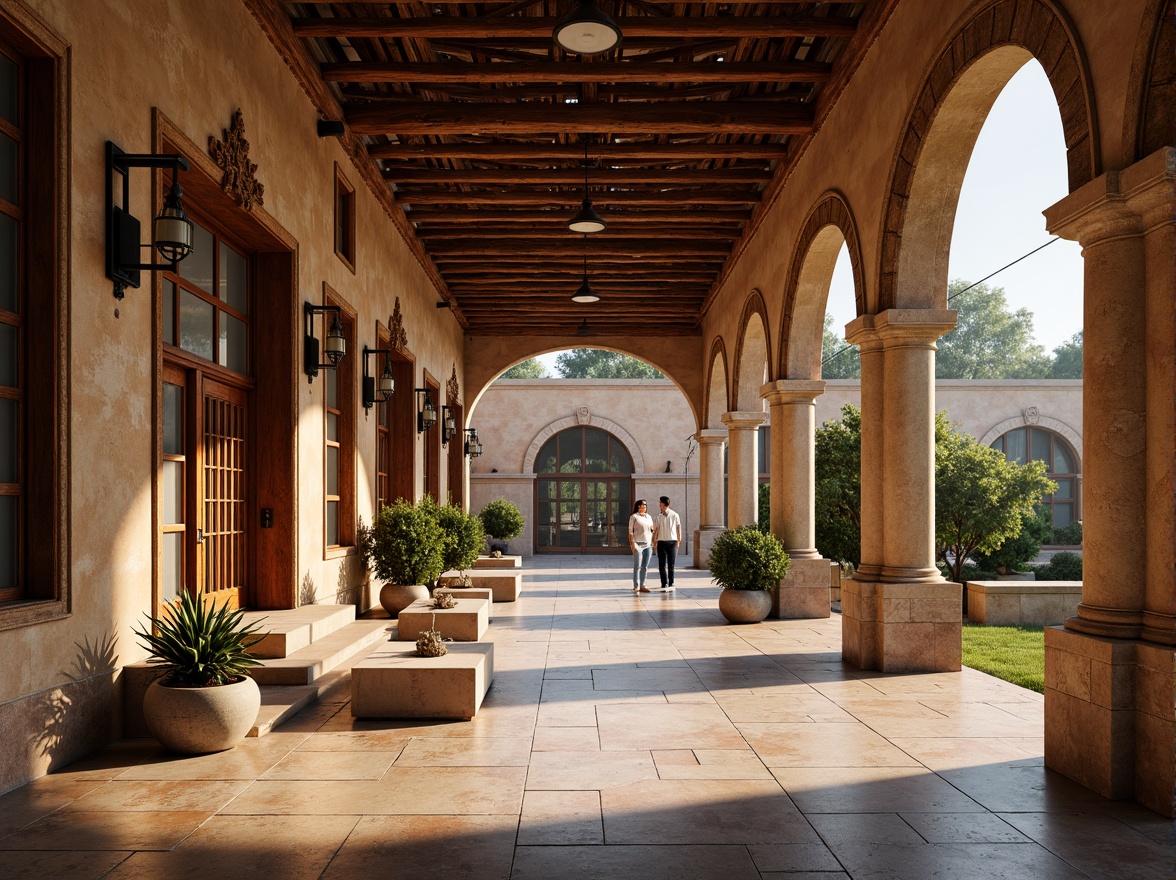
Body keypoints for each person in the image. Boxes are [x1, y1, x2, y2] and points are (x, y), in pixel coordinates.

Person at [652, 495, 683, 591]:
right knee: (662, 565)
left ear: (664, 504)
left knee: (671, 564)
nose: (659, 505)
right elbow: (655, 529)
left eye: (660, 503)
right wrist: (654, 541)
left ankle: (671, 582)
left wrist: (679, 540)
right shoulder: (658, 516)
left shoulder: (675, 515)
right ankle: (664, 583)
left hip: (672, 542)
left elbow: (678, 528)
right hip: (661, 542)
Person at [628, 499, 654, 593]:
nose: (644, 507)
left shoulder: (649, 517)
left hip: (648, 544)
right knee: (637, 566)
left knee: (645, 566)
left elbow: (652, 529)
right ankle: (636, 585)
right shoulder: (634, 517)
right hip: (637, 544)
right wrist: (632, 543)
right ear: (638, 506)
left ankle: (643, 584)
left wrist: (652, 541)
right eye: (642, 505)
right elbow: (630, 531)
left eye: (645, 505)